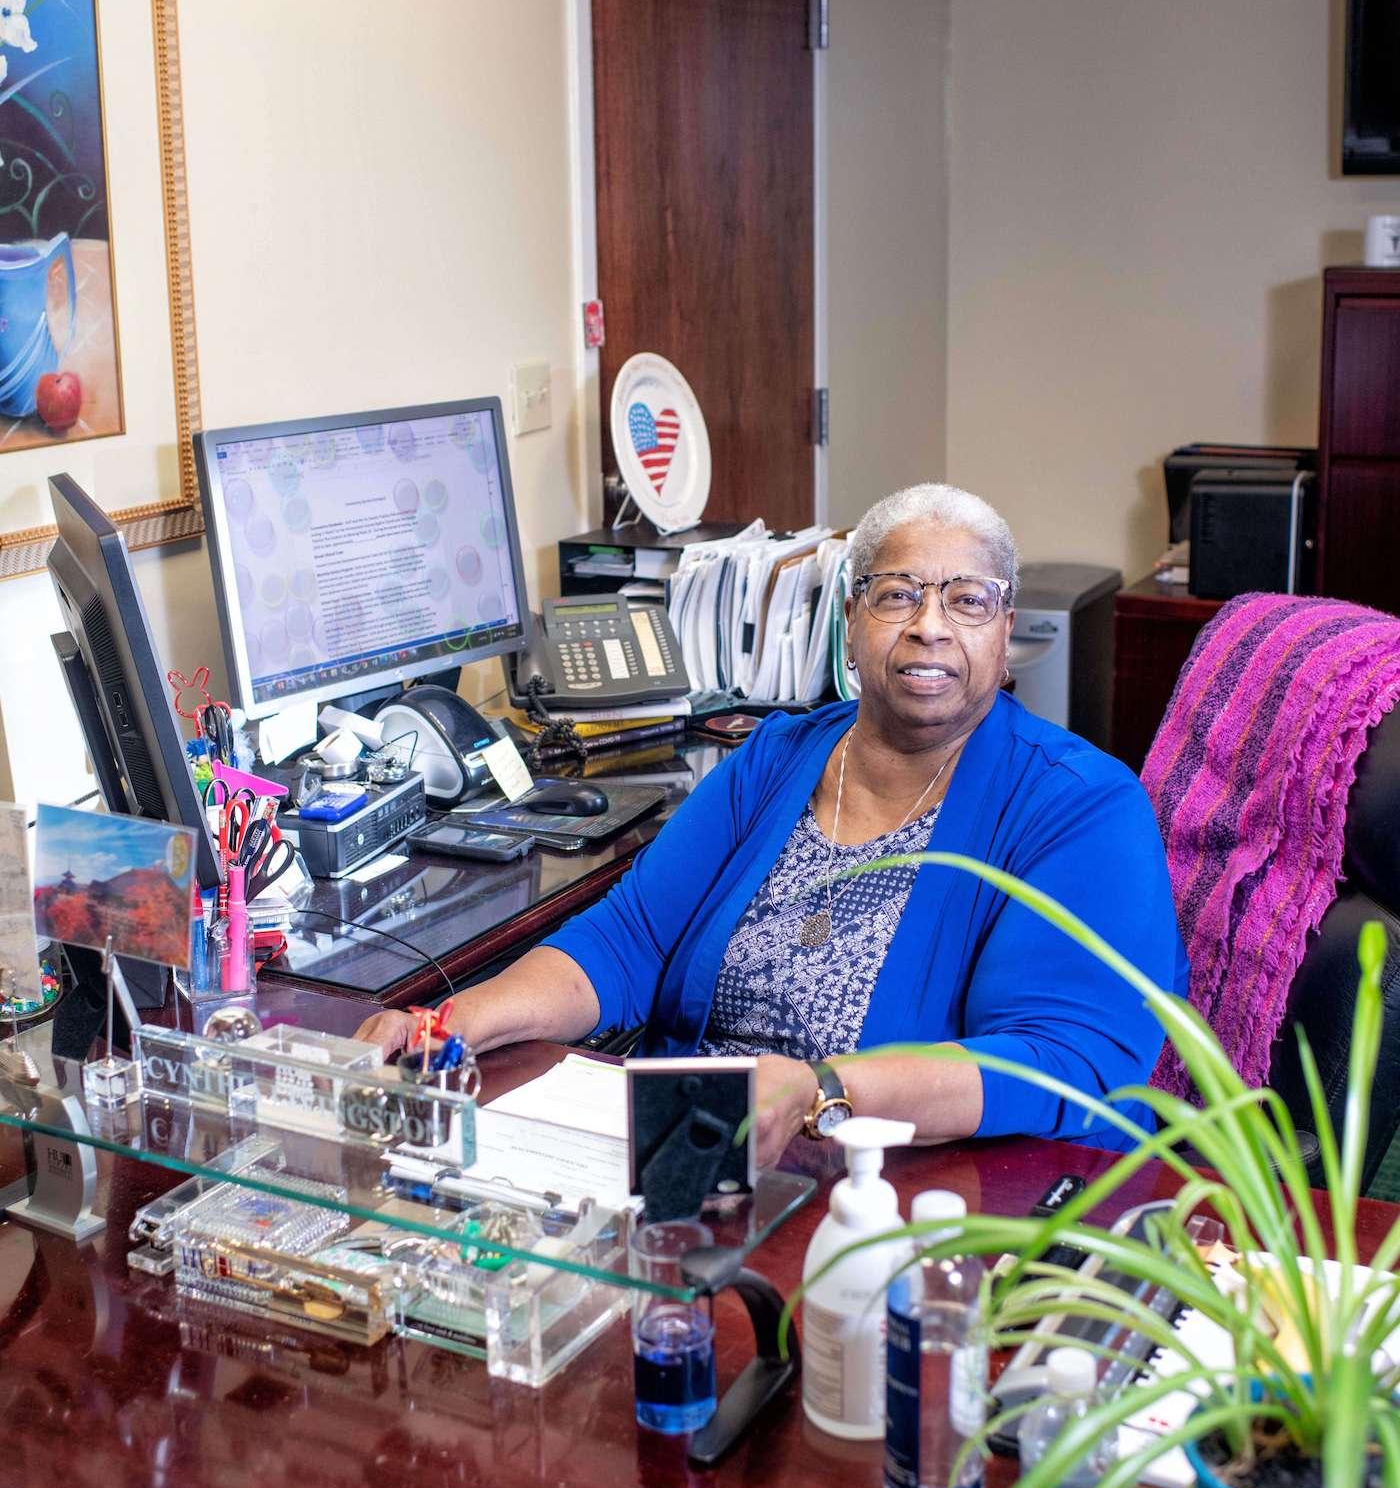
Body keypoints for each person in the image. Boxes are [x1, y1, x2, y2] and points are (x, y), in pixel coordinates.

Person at [357, 484, 1187, 1168]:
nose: (930, 625)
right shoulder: (776, 758)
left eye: (969, 601)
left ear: (1005, 636)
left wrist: (822, 1090)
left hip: (896, 1183)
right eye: (897, 594)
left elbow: (1061, 1064)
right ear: (850, 624)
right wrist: (455, 1020)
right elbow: (627, 941)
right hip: (689, 1146)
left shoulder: (1080, 808)